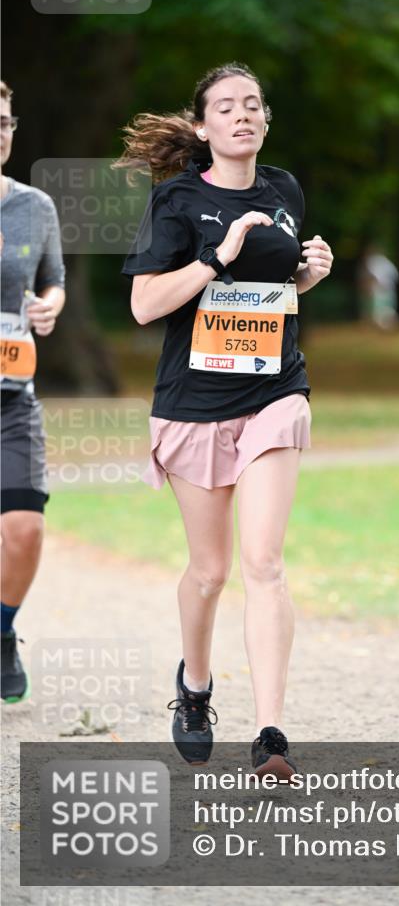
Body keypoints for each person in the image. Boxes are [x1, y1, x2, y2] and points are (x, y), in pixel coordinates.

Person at [116, 62, 333, 773]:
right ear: (204, 126)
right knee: (209, 573)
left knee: (262, 563)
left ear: (265, 121)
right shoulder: (176, 200)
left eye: (253, 105)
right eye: (226, 107)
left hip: (273, 391)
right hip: (194, 403)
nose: (242, 115)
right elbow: (145, 306)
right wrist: (217, 256)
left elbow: (275, 292)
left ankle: (271, 733)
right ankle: (196, 685)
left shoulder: (284, 189)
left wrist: (307, 273)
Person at [0, 79, 66, 701]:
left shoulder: (34, 206)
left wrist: (48, 308)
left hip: (11, 394)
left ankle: (1, 632)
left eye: (3, 122)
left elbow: (54, 282)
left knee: (24, 528)